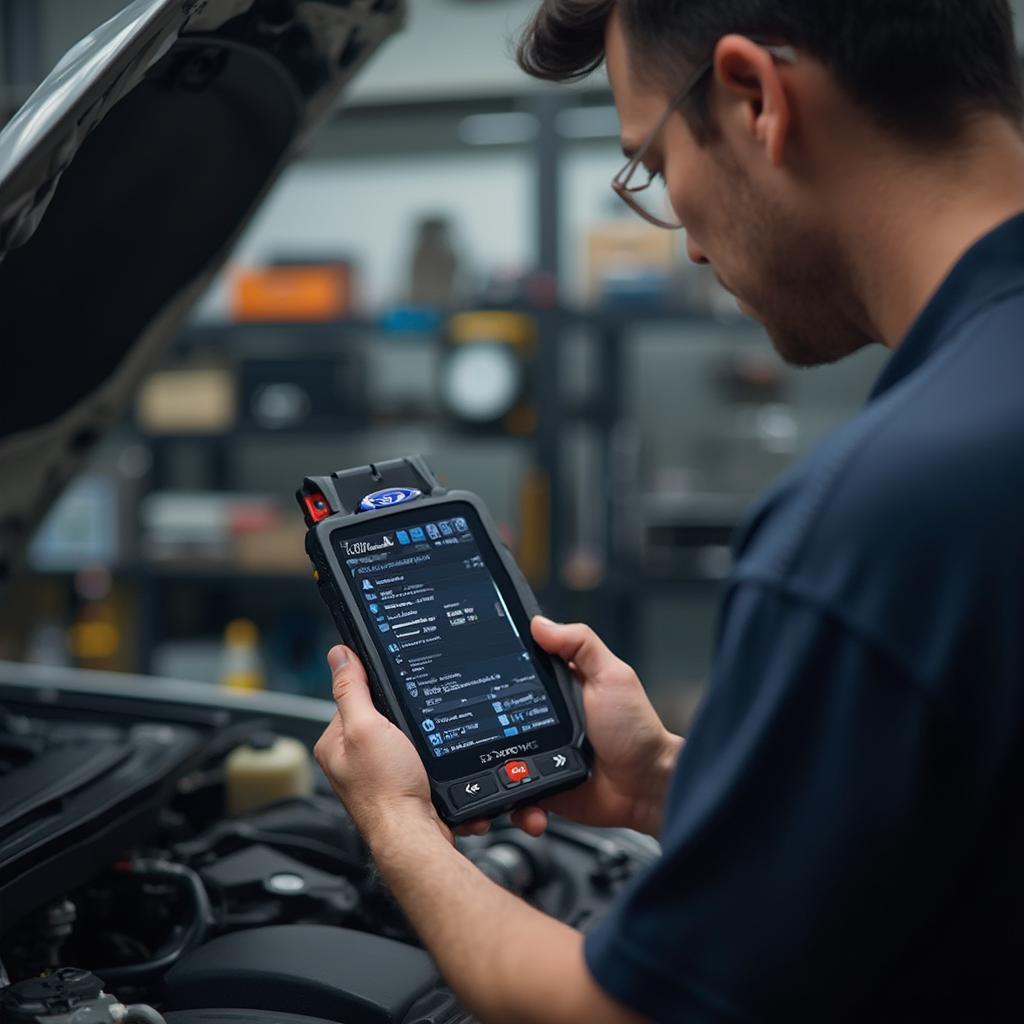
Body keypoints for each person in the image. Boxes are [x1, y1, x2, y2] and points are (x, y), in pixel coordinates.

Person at [313, 2, 1024, 1021]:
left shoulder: (879, 515)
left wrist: (396, 823)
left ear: (753, 99)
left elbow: (621, 1011)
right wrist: (655, 781)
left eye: (648, 162)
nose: (683, 240)